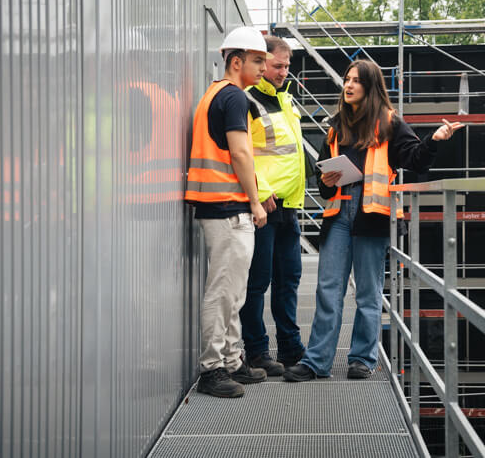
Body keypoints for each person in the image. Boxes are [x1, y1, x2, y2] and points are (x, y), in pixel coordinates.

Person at [283, 59, 464, 382]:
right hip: (339, 214)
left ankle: (362, 359)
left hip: (373, 215)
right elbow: (323, 186)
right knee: (328, 290)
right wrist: (327, 180)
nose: (348, 85)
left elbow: (415, 160)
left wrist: (435, 140)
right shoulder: (336, 126)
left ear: (370, 87)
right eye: (346, 80)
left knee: (368, 293)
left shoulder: (390, 123)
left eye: (355, 81)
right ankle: (316, 362)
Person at [185, 26, 272, 398]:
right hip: (227, 207)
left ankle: (233, 361)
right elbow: (239, 153)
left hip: (219, 204)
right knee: (223, 291)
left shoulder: (215, 93)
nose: (263, 68)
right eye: (257, 61)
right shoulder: (235, 97)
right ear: (236, 62)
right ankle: (212, 369)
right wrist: (255, 201)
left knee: (233, 291)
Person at [238, 36, 308, 376]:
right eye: (277, 66)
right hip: (264, 205)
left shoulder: (287, 100)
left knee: (288, 280)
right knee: (258, 282)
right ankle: (256, 352)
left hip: (289, 206)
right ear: (261, 64)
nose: (283, 72)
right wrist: (261, 191)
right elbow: (239, 152)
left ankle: (290, 347)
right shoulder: (247, 100)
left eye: (287, 66)